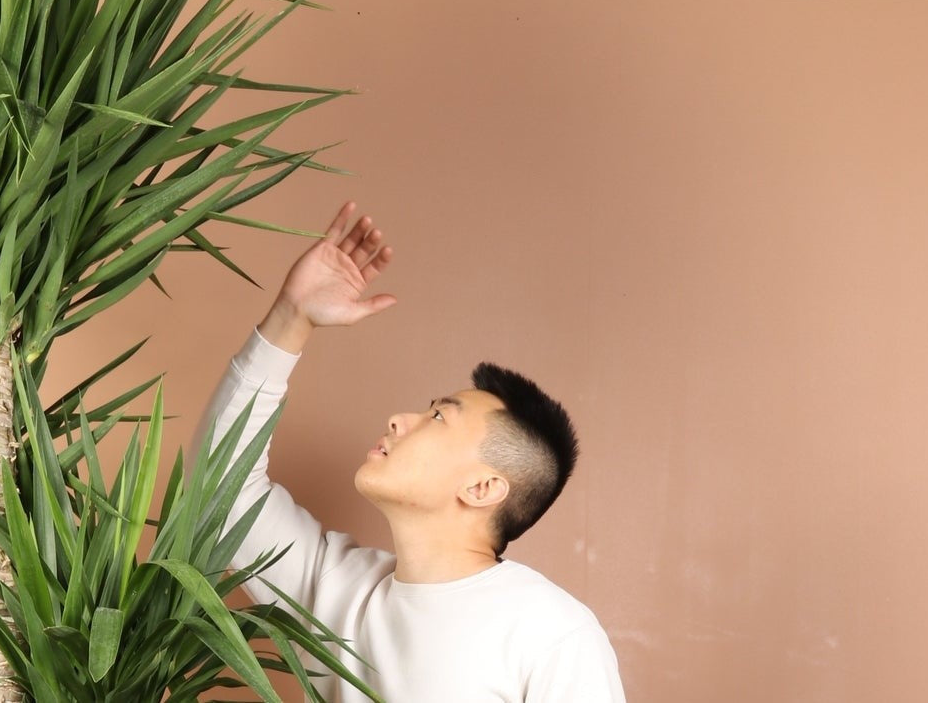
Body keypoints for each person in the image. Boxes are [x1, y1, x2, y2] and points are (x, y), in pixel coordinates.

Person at [191, 201, 626, 702]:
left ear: (483, 487)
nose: (399, 419)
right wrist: (291, 317)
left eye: (439, 416)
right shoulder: (337, 588)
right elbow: (220, 491)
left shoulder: (552, 635)